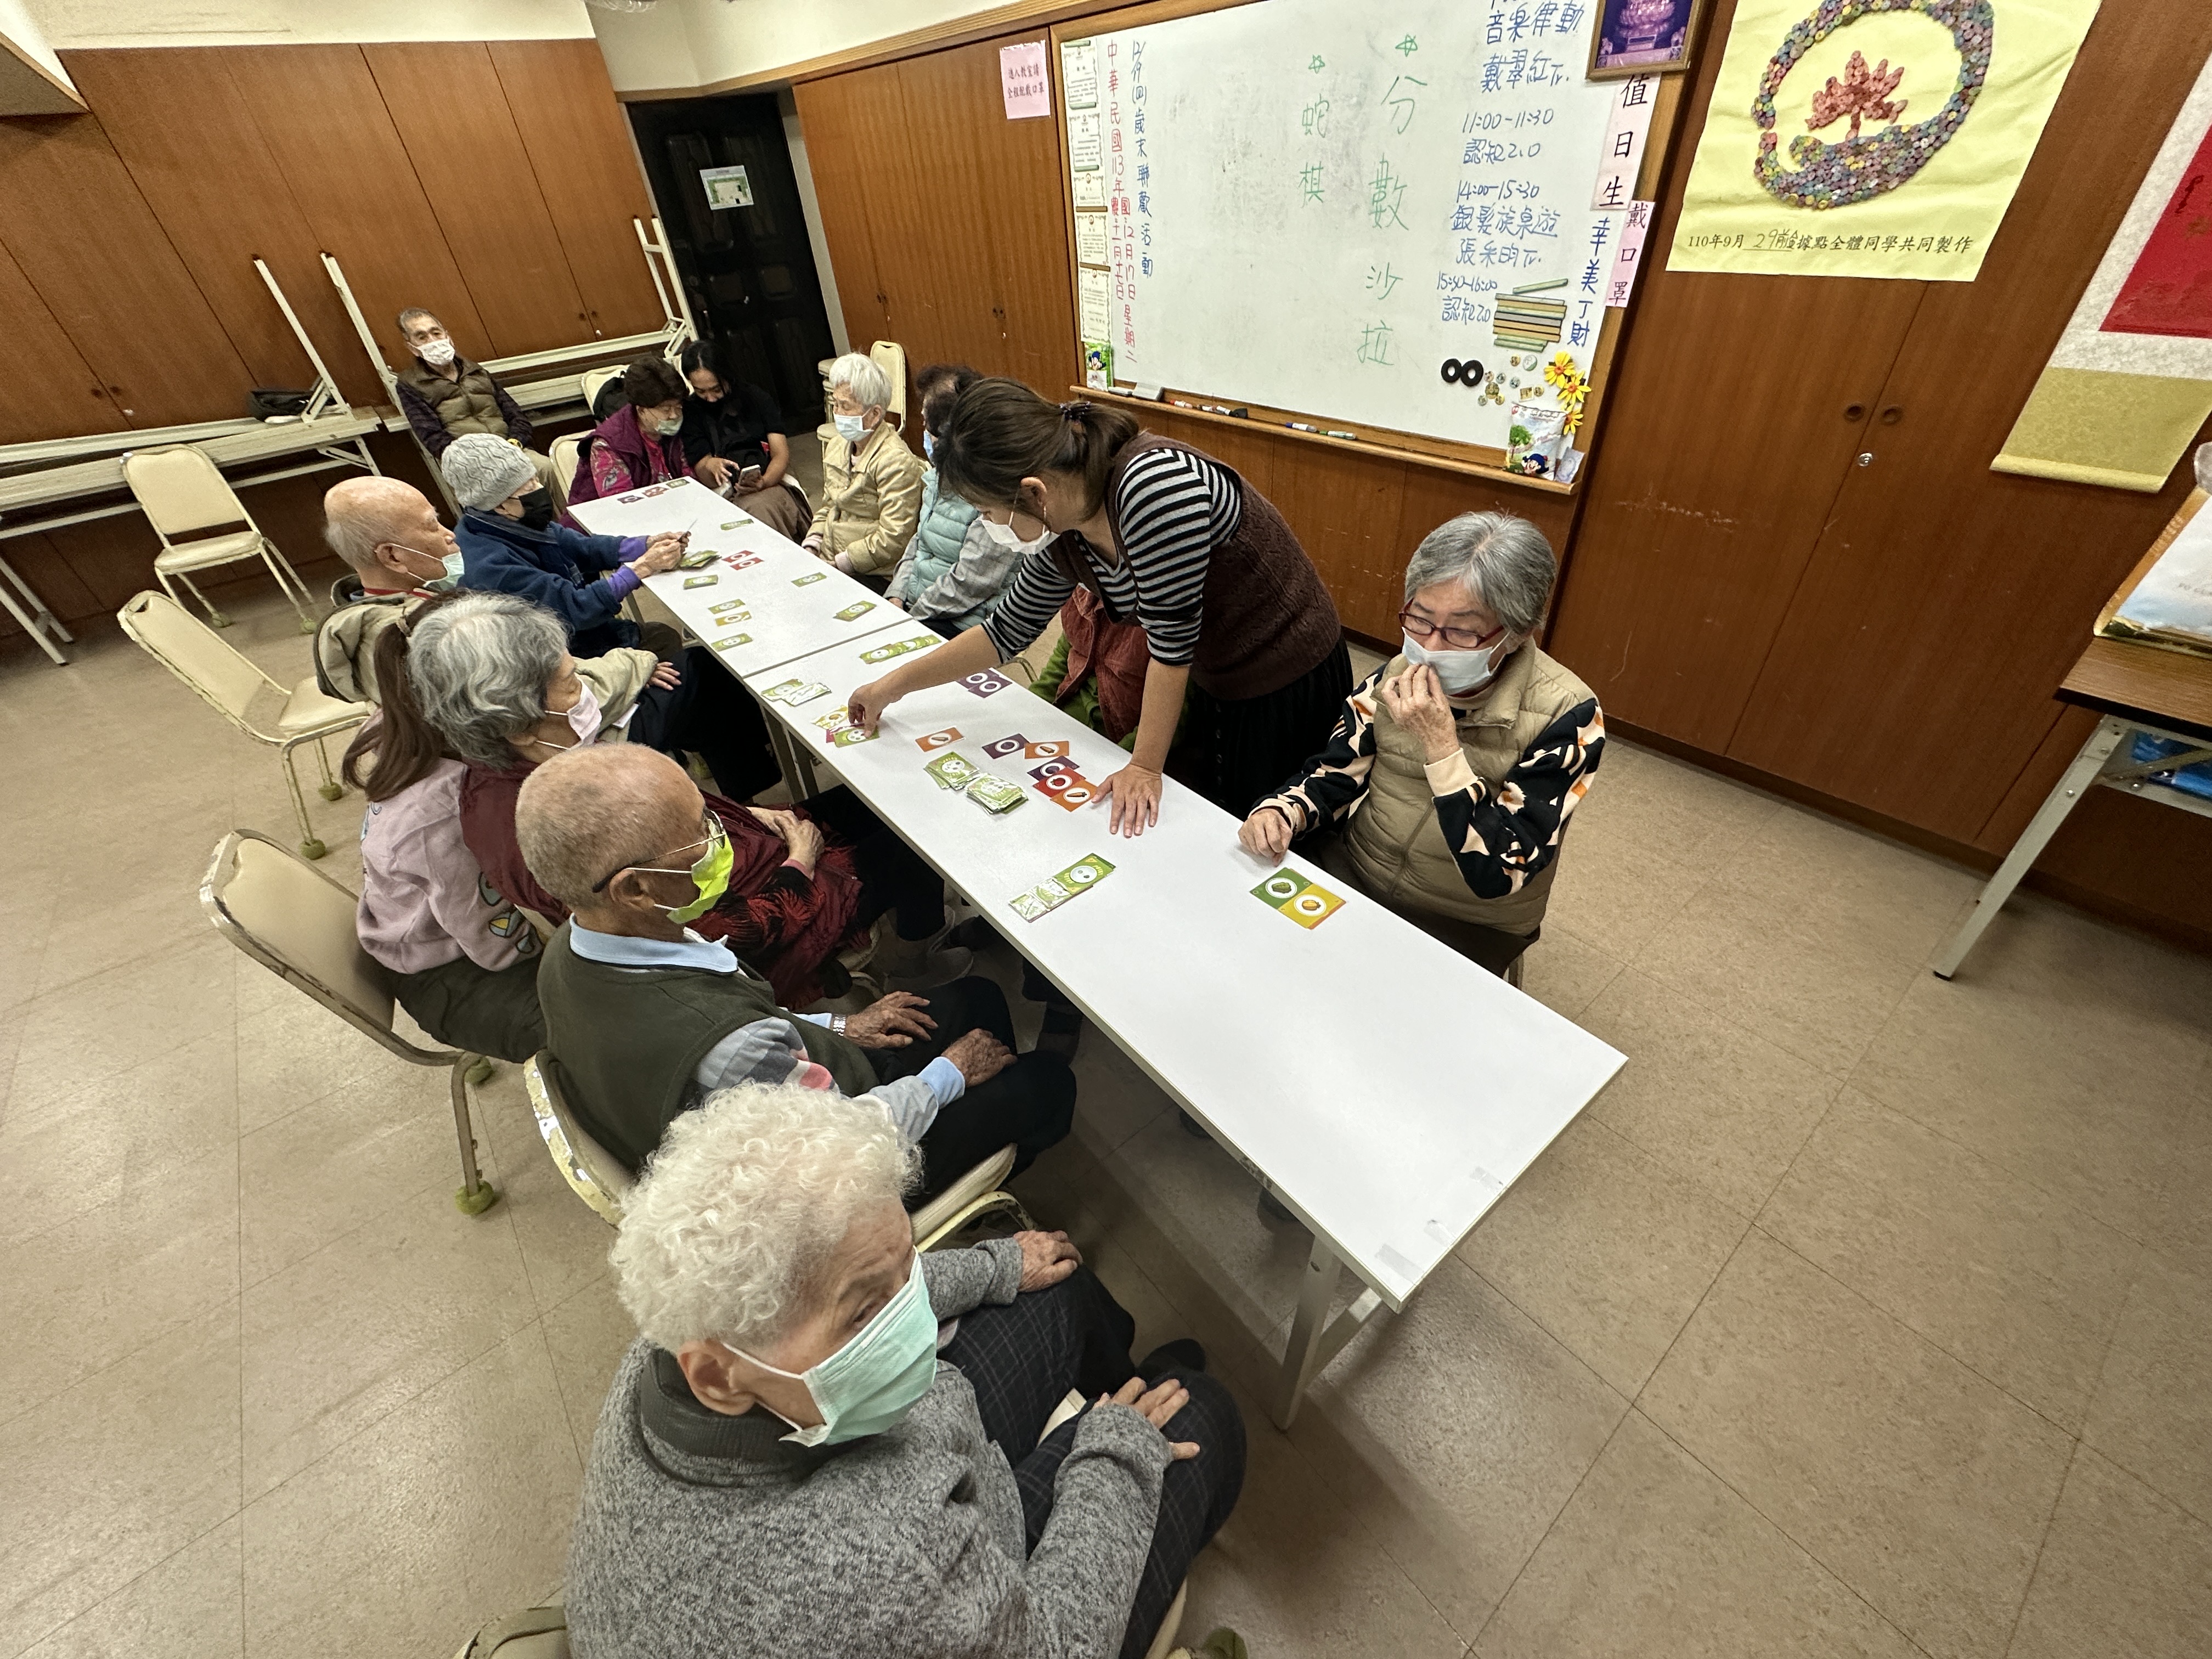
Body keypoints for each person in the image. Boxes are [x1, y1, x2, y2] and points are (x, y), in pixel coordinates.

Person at [564, 1081, 1242, 1659]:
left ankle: (1126, 1380)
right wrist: (1113, 1456)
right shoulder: (874, 1564)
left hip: (925, 1500)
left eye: (907, 1267)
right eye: (863, 1316)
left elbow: (866, 1271)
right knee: (1205, 1413)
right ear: (719, 1375)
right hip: (956, 1582)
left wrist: (994, 1266)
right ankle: (1142, 1400)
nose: (909, 1322)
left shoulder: (675, 1354)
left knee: (1060, 1288)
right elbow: (1058, 1645)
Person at [517, 746, 1076, 1192]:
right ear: (635, 887)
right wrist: (948, 1076)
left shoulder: (576, 943)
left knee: (976, 998)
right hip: (840, 1175)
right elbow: (848, 1141)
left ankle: (988, 1118)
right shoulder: (729, 1047)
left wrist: (842, 1026)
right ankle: (970, 1180)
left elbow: (741, 1013)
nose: (720, 843)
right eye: (699, 837)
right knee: (1049, 1082)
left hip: (779, 1110)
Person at [381, 592, 955, 1006]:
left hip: (743, 857)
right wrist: (799, 870)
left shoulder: (526, 761)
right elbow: (700, 945)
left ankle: (903, 918)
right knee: (915, 844)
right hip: (765, 923)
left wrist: (726, 814)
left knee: (884, 801)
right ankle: (911, 958)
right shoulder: (547, 821)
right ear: (516, 716)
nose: (585, 683)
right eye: (569, 680)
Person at [849, 379, 1351, 836]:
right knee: (1209, 815)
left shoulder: (1151, 487)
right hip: (1214, 672)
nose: (990, 526)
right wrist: (891, 687)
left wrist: (1143, 766)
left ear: (1033, 491)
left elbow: (1170, 648)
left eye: (987, 511)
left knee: (1263, 825)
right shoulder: (1062, 526)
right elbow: (1007, 630)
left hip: (1283, 673)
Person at [1240, 512, 1604, 976]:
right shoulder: (1394, 676)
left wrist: (1442, 747)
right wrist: (1282, 810)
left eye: (1462, 631)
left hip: (1468, 918)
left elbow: (1500, 871)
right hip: (1360, 870)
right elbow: (1335, 773)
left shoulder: (1569, 715)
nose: (1431, 646)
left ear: (1517, 634)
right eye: (1420, 619)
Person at [444, 432, 685, 660]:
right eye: (528, 488)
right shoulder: (493, 566)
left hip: (583, 633)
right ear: (499, 505)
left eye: (535, 479)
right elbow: (574, 609)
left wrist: (645, 545)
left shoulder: (515, 522)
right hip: (564, 654)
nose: (540, 490)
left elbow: (582, 547)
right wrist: (639, 570)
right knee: (667, 645)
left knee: (662, 635)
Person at [888, 362, 1038, 636]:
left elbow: (971, 582)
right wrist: (896, 598)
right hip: (918, 607)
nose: (923, 430)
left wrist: (910, 619)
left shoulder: (991, 494)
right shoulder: (935, 477)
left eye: (926, 423)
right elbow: (918, 541)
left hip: (962, 620)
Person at [391, 308, 566, 507]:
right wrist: (481, 458)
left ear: (448, 336)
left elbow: (515, 414)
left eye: (436, 333)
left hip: (510, 447)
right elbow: (432, 437)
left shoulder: (476, 371)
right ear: (412, 348)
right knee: (507, 488)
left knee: (545, 468)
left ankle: (568, 528)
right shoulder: (410, 384)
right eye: (421, 337)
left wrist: (514, 443)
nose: (432, 340)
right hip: (471, 462)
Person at [313, 477, 466, 704]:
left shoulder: (359, 608)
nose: (449, 534)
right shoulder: (412, 637)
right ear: (393, 556)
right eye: (432, 525)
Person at [803, 352, 925, 580]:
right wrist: (813, 543)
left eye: (846, 407)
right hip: (831, 556)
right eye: (835, 404)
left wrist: (842, 563)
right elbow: (829, 506)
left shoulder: (895, 461)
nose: (838, 414)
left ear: (875, 414)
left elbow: (894, 538)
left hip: (872, 571)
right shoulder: (838, 446)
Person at [675, 340, 810, 541]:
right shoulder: (692, 411)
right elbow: (702, 467)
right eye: (701, 392)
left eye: (716, 389)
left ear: (727, 377)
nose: (711, 398)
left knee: (761, 510)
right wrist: (711, 465)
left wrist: (765, 482)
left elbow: (780, 454)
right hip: (724, 492)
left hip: (769, 483)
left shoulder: (756, 399)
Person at [568, 356, 693, 507]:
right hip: (605, 521)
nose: (674, 415)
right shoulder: (608, 444)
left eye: (678, 406)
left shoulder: (679, 427)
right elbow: (623, 504)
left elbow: (690, 479)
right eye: (666, 409)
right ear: (641, 410)